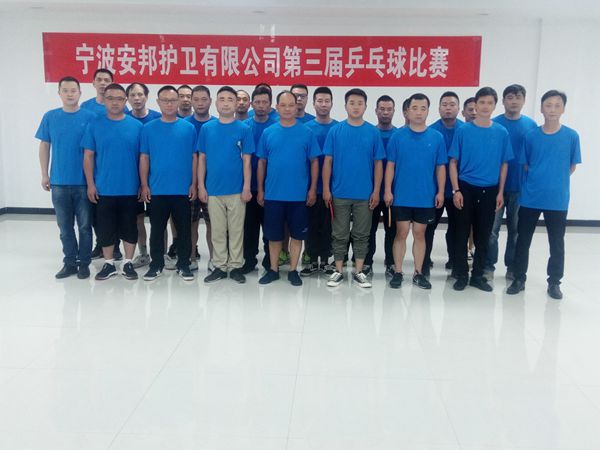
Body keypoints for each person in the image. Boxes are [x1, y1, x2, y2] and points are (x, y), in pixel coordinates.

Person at [507, 90, 581, 300]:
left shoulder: (571, 136)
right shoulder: (531, 136)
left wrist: (553, 179)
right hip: (530, 197)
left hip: (557, 199)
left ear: (563, 109)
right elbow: (526, 165)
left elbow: (571, 166)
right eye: (548, 105)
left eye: (557, 105)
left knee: (556, 242)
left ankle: (554, 282)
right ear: (541, 108)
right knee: (523, 240)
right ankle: (519, 278)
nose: (552, 110)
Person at [449, 87, 513, 291]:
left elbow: (504, 164)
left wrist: (500, 192)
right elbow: (453, 162)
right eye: (482, 102)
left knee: (483, 235)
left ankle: (477, 276)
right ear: (475, 105)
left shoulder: (501, 132)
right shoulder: (463, 130)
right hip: (465, 188)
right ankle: (461, 274)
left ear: (495, 106)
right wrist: (456, 190)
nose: (485, 106)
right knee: (461, 233)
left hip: (490, 190)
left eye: (489, 103)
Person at [256, 91, 321, 286]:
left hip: (298, 196)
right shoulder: (268, 132)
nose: (287, 109)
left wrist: (312, 189)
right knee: (273, 236)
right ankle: (273, 270)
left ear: (297, 106)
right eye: (283, 105)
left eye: (291, 105)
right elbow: (261, 163)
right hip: (273, 194)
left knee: (297, 235)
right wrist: (261, 189)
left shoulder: (307, 132)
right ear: (276, 107)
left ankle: (293, 270)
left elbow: (314, 162)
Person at [322, 88, 385, 288]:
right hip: (339, 192)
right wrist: (326, 188)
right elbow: (328, 162)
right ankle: (338, 270)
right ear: (345, 106)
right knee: (339, 234)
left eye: (360, 103)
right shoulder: (336, 131)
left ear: (366, 107)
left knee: (362, 234)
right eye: (352, 103)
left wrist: (376, 191)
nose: (356, 107)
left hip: (365, 195)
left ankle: (359, 271)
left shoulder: (373, 132)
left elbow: (378, 164)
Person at [384, 93, 446, 289]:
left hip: (425, 196)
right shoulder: (397, 136)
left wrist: (441, 191)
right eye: (415, 108)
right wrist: (387, 190)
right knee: (401, 233)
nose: (419, 112)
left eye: (423, 108)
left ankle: (419, 273)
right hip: (401, 196)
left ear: (428, 111)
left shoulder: (437, 137)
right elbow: (390, 165)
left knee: (420, 234)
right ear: (407, 111)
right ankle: (398, 271)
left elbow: (441, 167)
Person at [36, 76, 95, 279]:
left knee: (85, 227)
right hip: (59, 182)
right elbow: (45, 145)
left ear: (80, 93)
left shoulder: (90, 117)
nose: (70, 94)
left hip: (83, 183)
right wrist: (44, 174)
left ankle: (84, 263)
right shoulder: (50, 117)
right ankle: (70, 262)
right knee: (64, 227)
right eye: (65, 90)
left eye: (73, 90)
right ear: (59, 93)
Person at [82, 83, 142, 281]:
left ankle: (128, 262)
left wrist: (143, 184)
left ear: (125, 101)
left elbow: (144, 158)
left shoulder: (137, 126)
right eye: (110, 98)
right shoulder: (94, 125)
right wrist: (90, 184)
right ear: (104, 100)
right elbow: (88, 156)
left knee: (130, 227)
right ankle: (108, 264)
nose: (115, 102)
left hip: (130, 188)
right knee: (105, 228)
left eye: (119, 99)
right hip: (103, 188)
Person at [139, 85, 197, 281]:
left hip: (182, 190)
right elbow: (144, 158)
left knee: (184, 230)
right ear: (158, 102)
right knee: (157, 230)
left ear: (178, 102)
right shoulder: (148, 129)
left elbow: (194, 157)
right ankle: (156, 265)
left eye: (173, 100)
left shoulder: (188, 128)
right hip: (157, 189)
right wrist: (144, 185)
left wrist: (194, 183)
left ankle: (184, 265)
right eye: (165, 100)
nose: (169, 104)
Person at [198, 86, 254, 284]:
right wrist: (201, 186)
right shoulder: (207, 129)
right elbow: (202, 159)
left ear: (236, 103)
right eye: (222, 99)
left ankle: (236, 266)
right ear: (216, 103)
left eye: (230, 99)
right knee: (218, 231)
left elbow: (247, 161)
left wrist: (247, 187)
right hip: (213, 189)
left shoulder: (244, 129)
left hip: (237, 190)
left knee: (237, 231)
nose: (226, 103)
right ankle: (220, 266)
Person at [485, 84, 537, 279]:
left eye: (518, 97)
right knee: (491, 230)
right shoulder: (494, 124)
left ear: (524, 100)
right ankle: (488, 266)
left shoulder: (531, 126)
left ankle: (513, 267)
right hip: (495, 186)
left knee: (516, 230)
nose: (514, 101)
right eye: (510, 97)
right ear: (503, 101)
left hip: (520, 187)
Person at [425, 91, 464, 276]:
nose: (448, 108)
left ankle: (455, 261)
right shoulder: (431, 131)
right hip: (435, 190)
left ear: (458, 108)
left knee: (457, 228)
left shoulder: (465, 130)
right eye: (444, 104)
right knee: (429, 228)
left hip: (459, 190)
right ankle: (424, 261)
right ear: (439, 108)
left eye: (452, 104)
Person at [301, 86, 338, 276]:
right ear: (314, 103)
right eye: (320, 101)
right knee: (310, 225)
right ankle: (310, 260)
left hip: (333, 188)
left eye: (327, 101)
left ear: (332, 103)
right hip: (310, 187)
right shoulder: (306, 129)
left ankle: (325, 260)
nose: (323, 104)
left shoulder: (338, 128)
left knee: (329, 226)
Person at [241, 86, 278, 274]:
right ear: (251, 104)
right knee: (249, 227)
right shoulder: (244, 126)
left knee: (270, 228)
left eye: (265, 102)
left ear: (270, 104)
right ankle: (249, 261)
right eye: (257, 102)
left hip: (271, 187)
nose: (261, 105)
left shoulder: (277, 126)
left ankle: (270, 262)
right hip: (248, 186)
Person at [125, 82, 161, 269]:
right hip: (132, 179)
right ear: (127, 98)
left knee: (159, 220)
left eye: (140, 94)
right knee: (138, 218)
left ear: (146, 96)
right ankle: (144, 253)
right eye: (132, 95)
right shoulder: (124, 119)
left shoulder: (158, 118)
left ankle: (161, 254)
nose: (137, 98)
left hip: (156, 179)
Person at [364, 94, 397, 277]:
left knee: (392, 230)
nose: (385, 112)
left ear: (394, 111)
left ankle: (391, 262)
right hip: (371, 192)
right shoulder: (369, 133)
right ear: (376, 111)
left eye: (389, 109)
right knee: (369, 230)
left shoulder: (398, 135)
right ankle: (367, 262)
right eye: (382, 109)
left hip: (393, 193)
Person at [185, 85, 216, 272]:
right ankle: (191, 258)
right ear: (191, 101)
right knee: (191, 223)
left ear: (210, 101)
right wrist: (193, 183)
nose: (200, 103)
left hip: (211, 184)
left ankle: (214, 259)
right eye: (196, 99)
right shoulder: (185, 125)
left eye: (204, 99)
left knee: (213, 224)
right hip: (189, 184)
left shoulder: (217, 125)